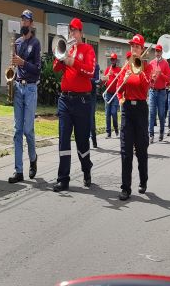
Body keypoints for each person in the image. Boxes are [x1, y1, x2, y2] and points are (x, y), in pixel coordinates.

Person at [52, 18, 96, 192]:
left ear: (81, 33)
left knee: (82, 142)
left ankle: (86, 169)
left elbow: (90, 72)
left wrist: (74, 62)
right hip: (65, 99)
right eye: (70, 31)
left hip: (82, 101)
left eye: (75, 31)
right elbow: (55, 68)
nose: (72, 34)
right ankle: (63, 179)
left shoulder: (88, 49)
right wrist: (61, 56)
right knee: (63, 139)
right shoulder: (67, 48)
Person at [116, 34, 152, 200]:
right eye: (132, 46)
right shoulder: (125, 66)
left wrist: (140, 71)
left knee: (141, 148)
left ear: (142, 49)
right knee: (125, 150)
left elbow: (146, 88)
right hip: (127, 109)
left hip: (141, 109)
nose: (134, 49)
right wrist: (123, 82)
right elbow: (117, 89)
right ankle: (125, 187)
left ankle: (143, 180)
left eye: (137, 46)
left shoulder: (147, 67)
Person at [8, 9, 42, 183]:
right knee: (17, 131)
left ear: (32, 24)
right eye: (22, 20)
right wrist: (14, 65)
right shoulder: (18, 42)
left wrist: (23, 63)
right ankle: (18, 170)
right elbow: (15, 66)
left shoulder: (35, 43)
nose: (24, 23)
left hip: (30, 89)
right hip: (18, 88)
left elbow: (37, 69)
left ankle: (33, 158)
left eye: (26, 20)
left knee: (28, 130)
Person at [148, 44, 170, 144]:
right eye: (156, 51)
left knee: (161, 114)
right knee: (151, 114)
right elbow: (148, 78)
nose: (157, 53)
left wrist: (161, 74)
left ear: (161, 52)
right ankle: (151, 135)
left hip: (161, 91)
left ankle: (161, 132)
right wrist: (151, 78)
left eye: (159, 51)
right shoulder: (151, 63)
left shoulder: (165, 64)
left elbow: (168, 79)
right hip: (152, 91)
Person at [101, 53, 121, 138]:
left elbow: (121, 80)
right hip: (108, 94)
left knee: (114, 113)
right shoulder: (107, 69)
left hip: (115, 95)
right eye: (111, 59)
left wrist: (116, 75)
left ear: (116, 60)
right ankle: (108, 132)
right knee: (107, 113)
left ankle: (116, 129)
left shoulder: (118, 70)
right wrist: (106, 76)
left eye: (114, 59)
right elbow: (103, 82)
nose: (112, 61)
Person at [90, 62, 101, 148]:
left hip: (91, 94)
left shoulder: (95, 65)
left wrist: (87, 78)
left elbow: (97, 80)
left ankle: (94, 139)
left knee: (91, 117)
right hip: (81, 94)